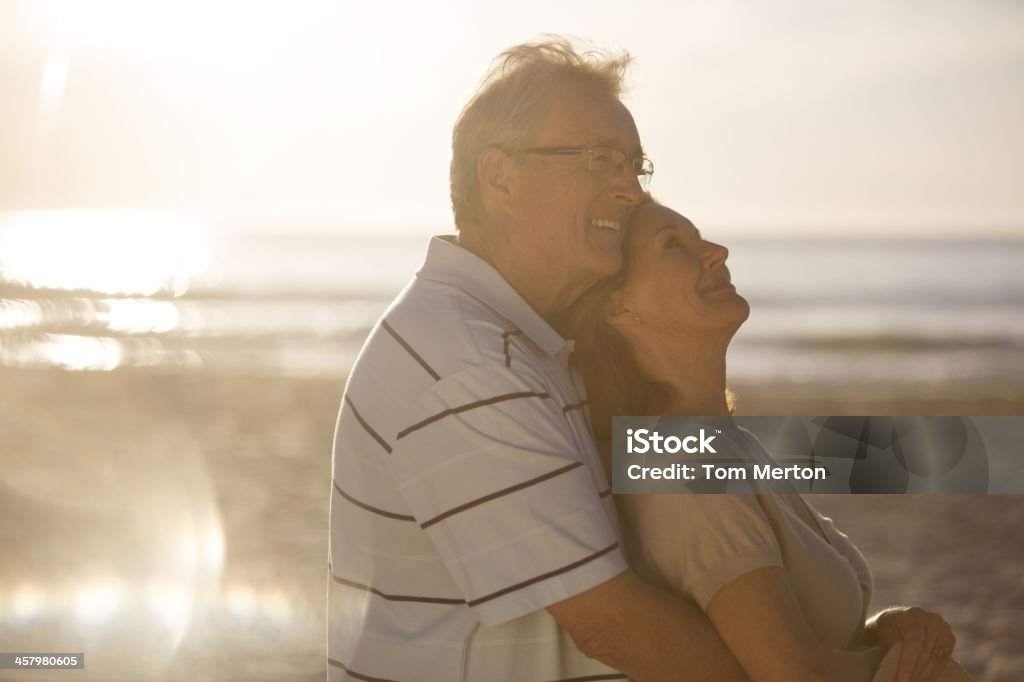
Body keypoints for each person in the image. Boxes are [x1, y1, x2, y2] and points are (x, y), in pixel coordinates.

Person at [328, 38, 753, 681]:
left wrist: (859, 635)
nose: (631, 191)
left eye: (635, 166)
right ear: (498, 176)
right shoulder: (466, 365)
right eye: (599, 159)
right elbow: (613, 623)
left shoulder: (537, 342)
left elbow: (715, 546)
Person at [558, 199, 971, 682]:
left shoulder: (726, 443)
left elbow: (786, 637)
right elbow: (792, 673)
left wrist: (886, 630)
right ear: (617, 305)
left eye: (699, 235)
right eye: (674, 244)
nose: (716, 251)